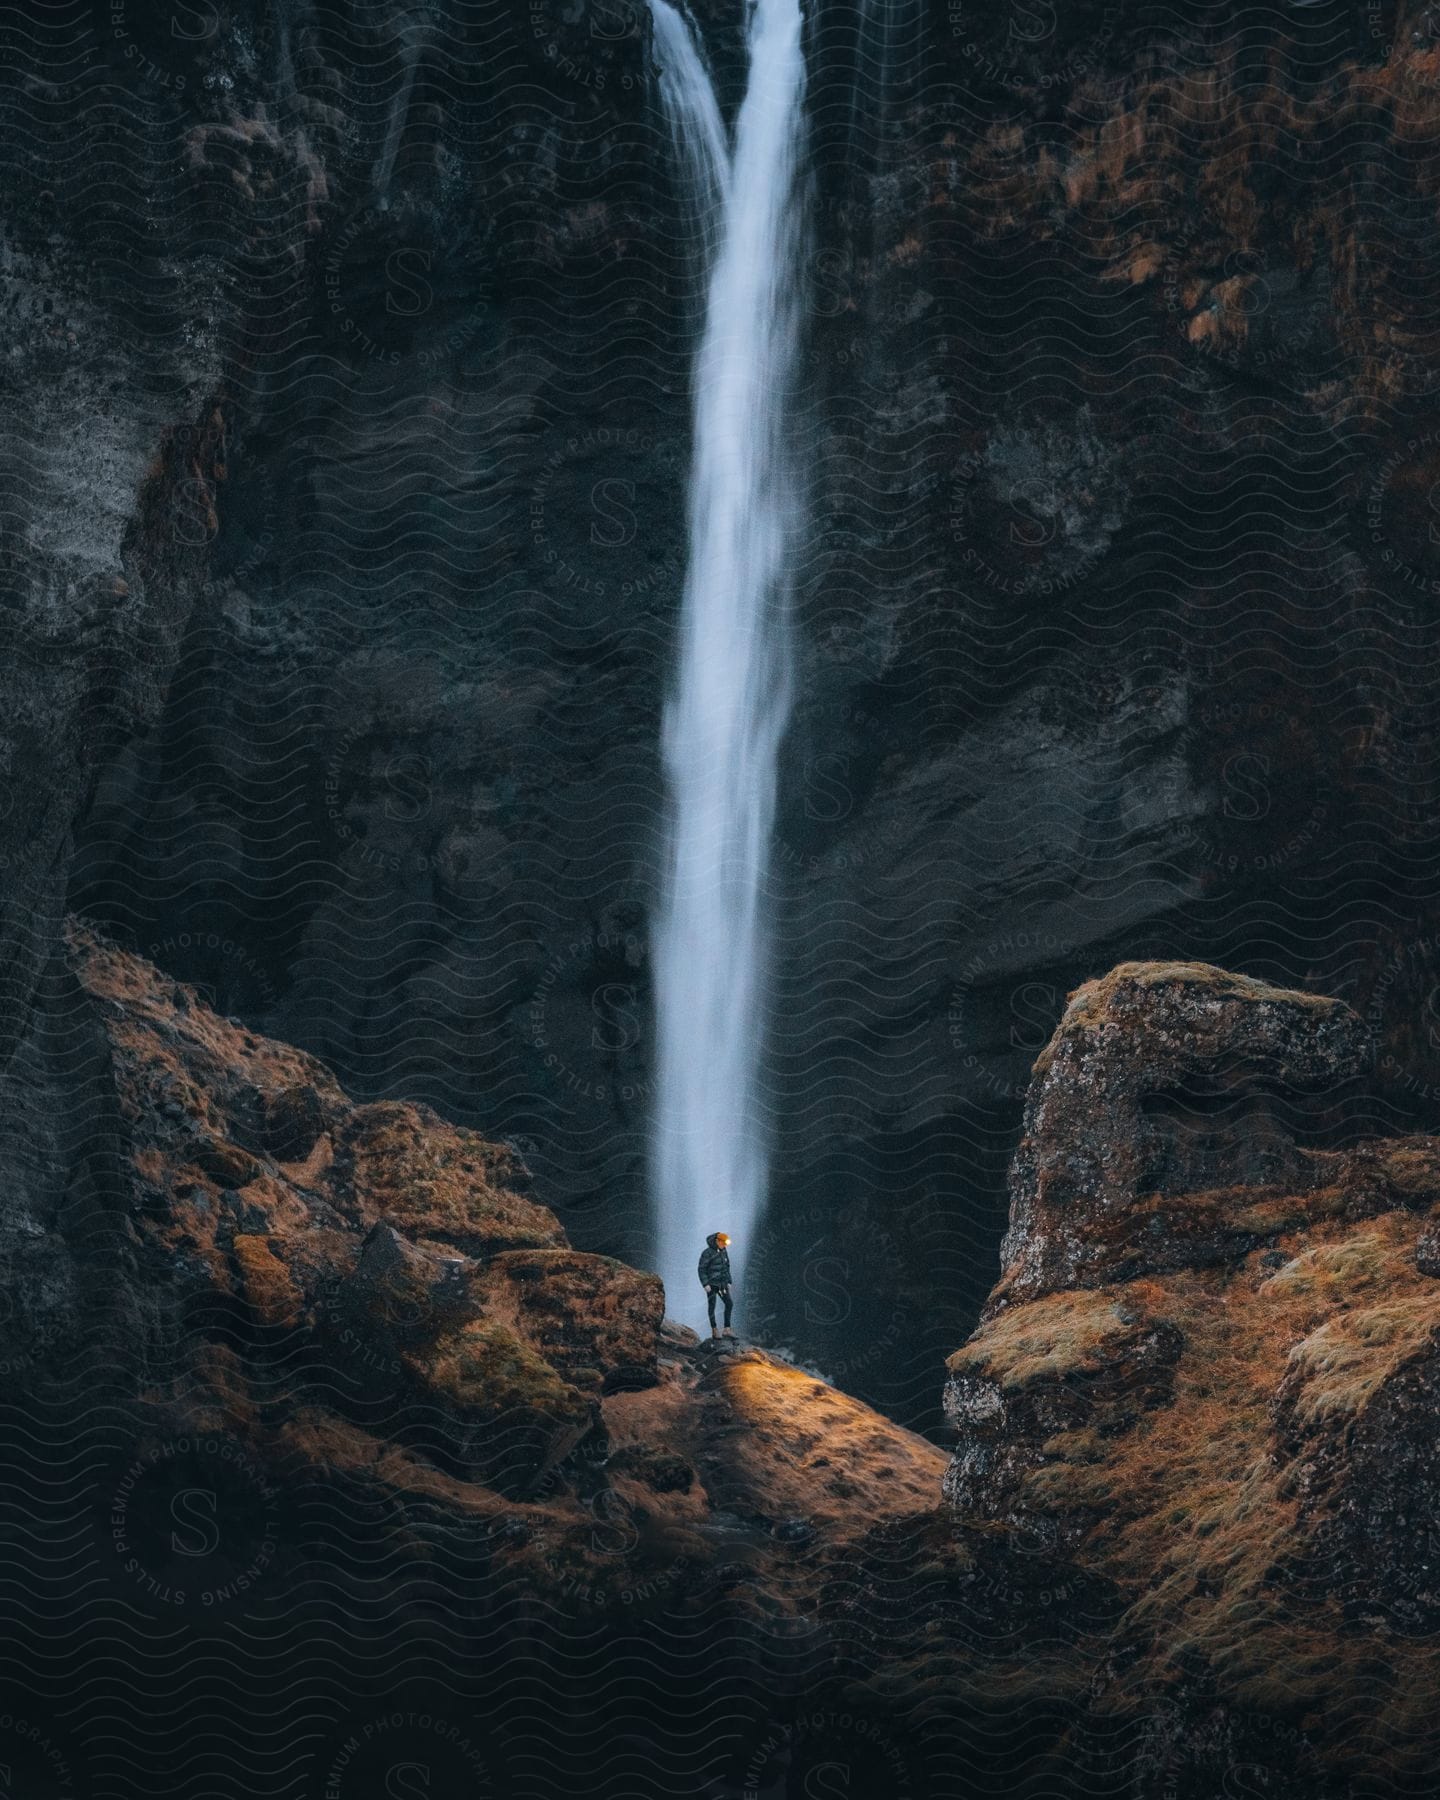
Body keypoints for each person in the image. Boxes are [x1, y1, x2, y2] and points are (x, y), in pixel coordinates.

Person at [697, 1231, 734, 1340]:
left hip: (722, 1284)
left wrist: (729, 1281)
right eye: (723, 1243)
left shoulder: (723, 1251)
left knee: (729, 1303)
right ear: (717, 1241)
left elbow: (726, 1267)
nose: (725, 1245)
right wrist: (705, 1284)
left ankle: (727, 1329)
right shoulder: (707, 1253)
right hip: (712, 1284)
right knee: (712, 1306)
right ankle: (714, 1329)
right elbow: (701, 1269)